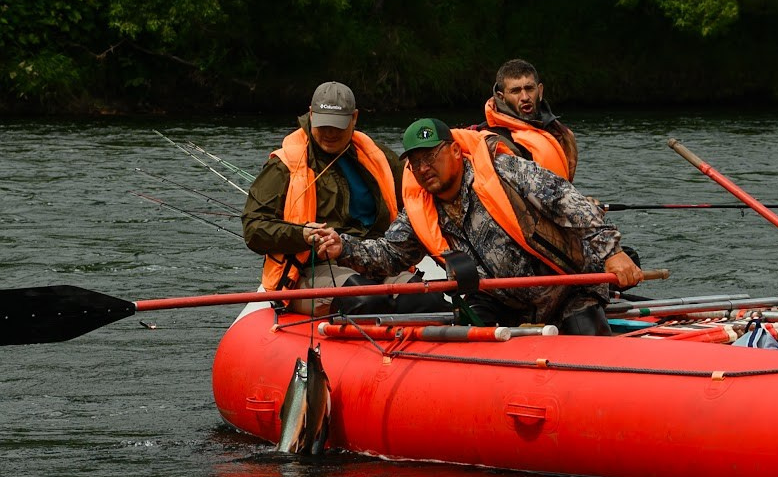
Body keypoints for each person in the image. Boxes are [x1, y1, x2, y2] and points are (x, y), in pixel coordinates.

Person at [315, 117, 643, 331]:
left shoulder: (507, 172)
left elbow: (568, 203)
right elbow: (389, 255)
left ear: (456, 151)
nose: (423, 167)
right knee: (467, 325)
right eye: (415, 163)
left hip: (567, 289)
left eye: (431, 156)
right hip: (502, 303)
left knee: (586, 333)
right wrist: (343, 246)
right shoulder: (420, 211)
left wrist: (611, 251)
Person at [242, 81, 399, 296]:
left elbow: (416, 204)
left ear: (354, 118)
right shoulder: (284, 163)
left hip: (374, 258)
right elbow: (253, 229)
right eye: (324, 125)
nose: (330, 133)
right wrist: (302, 234)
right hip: (314, 268)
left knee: (423, 298)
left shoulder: (380, 157)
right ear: (311, 114)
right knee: (364, 295)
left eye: (338, 126)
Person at [483, 57, 578, 179]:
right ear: (501, 98)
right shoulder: (492, 140)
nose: (525, 97)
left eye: (529, 88)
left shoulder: (564, 135)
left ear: (540, 91)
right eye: (515, 91)